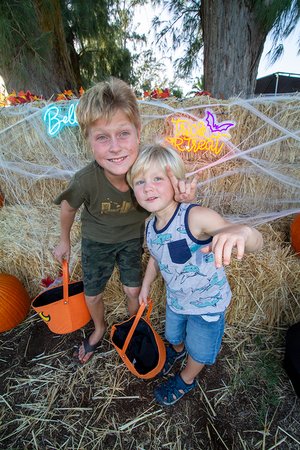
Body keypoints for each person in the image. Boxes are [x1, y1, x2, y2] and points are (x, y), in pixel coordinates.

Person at [53, 78, 198, 364]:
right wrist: (64, 239)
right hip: (97, 242)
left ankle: (134, 329)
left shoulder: (147, 174)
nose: (115, 147)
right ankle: (99, 328)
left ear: (138, 133)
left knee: (133, 290)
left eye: (123, 134)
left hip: (131, 241)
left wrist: (182, 199)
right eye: (102, 137)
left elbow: (170, 202)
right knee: (92, 295)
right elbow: (68, 209)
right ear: (89, 140)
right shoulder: (85, 180)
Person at [127, 143, 263, 406]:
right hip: (176, 299)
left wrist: (244, 233)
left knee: (199, 349)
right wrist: (145, 285)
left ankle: (187, 379)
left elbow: (253, 240)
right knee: (174, 336)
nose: (148, 187)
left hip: (206, 304)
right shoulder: (150, 227)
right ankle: (177, 352)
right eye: (140, 181)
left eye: (158, 178)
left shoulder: (195, 217)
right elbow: (157, 258)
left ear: (177, 183)